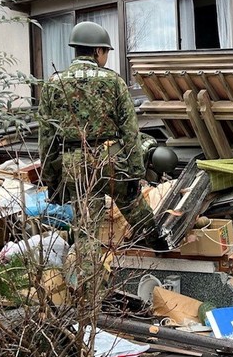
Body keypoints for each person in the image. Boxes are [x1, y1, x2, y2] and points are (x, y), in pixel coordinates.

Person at [38, 20, 158, 242]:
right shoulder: (113, 81)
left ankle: (89, 273)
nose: (106, 57)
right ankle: (161, 247)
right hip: (110, 158)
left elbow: (47, 137)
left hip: (74, 163)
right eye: (106, 52)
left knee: (85, 232)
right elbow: (130, 131)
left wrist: (51, 178)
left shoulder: (53, 84)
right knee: (136, 211)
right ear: (97, 50)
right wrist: (135, 173)